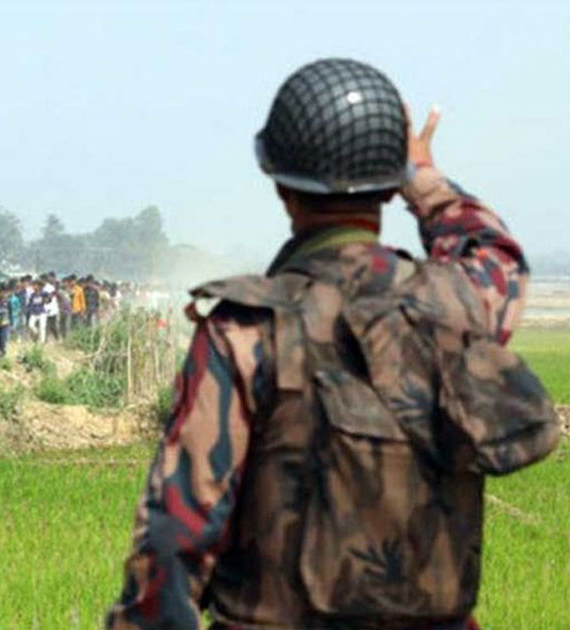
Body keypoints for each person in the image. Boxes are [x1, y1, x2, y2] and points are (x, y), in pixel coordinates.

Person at [106, 59, 560, 630]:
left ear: (278, 183)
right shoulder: (458, 306)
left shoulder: (245, 332)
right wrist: (423, 177)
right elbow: (497, 257)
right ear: (389, 187)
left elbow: (175, 535)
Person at [26, 279, 47, 345]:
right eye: (33, 285)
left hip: (42, 312)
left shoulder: (43, 293)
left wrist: (46, 299)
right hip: (34, 313)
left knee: (42, 327)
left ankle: (42, 342)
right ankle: (36, 333)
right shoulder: (32, 295)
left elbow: (49, 299)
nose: (34, 287)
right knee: (31, 325)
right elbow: (30, 304)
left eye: (35, 285)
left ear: (39, 286)